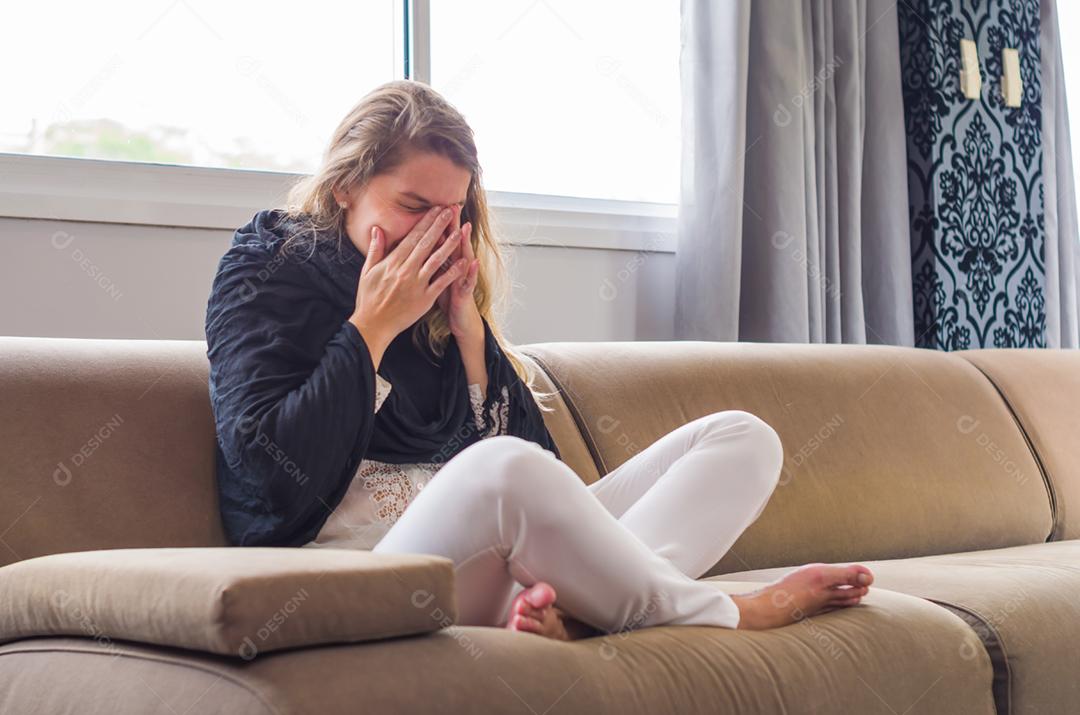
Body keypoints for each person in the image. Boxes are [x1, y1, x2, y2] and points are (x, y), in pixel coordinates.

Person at [204, 79, 874, 641]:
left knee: (741, 438)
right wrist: (371, 329)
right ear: (347, 185)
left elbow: (549, 475)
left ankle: (585, 614)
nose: (433, 233)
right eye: (412, 206)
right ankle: (730, 612)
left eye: (450, 212)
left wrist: (469, 334)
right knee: (500, 470)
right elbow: (270, 479)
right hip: (373, 567)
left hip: (494, 559)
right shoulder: (265, 268)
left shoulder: (445, 310)